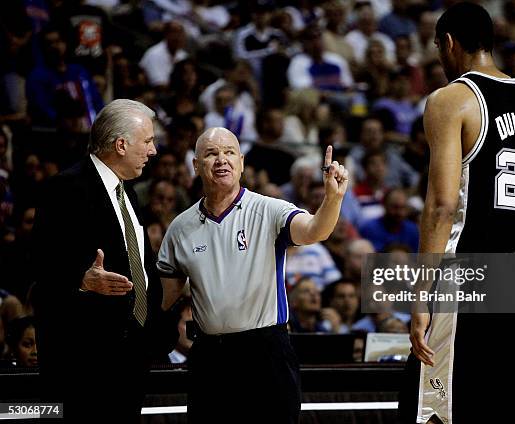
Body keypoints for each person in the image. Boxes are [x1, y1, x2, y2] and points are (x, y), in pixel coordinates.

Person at [398, 3, 515, 423]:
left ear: (449, 43)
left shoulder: (451, 99)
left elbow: (441, 206)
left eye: (438, 48)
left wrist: (420, 296)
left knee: (436, 409)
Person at [157, 126, 349, 423]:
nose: (222, 159)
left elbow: (314, 231)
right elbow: (165, 299)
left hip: (266, 351)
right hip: (210, 355)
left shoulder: (269, 209)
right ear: (195, 166)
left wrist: (332, 199)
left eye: (229, 152)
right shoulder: (180, 228)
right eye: (211, 153)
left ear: (242, 162)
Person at [33, 99, 178, 423]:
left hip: (130, 357)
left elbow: (140, 267)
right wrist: (81, 279)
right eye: (148, 141)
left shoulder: (129, 194)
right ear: (121, 144)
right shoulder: (67, 187)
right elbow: (39, 261)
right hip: (84, 362)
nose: (153, 151)